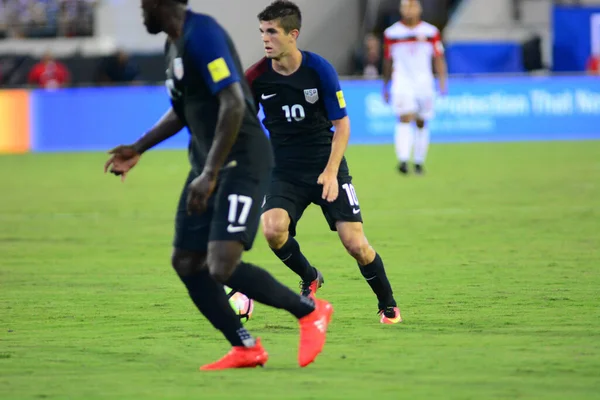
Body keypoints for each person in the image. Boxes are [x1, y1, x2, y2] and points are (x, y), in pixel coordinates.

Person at [103, 0, 333, 371]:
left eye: (144, 4)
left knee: (221, 263)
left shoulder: (203, 35)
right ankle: (245, 346)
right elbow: (182, 109)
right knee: (186, 260)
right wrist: (138, 147)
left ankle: (310, 312)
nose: (140, 11)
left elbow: (232, 103)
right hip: (208, 166)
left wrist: (210, 173)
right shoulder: (173, 45)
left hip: (241, 161)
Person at [245, 0, 401, 324]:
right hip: (284, 170)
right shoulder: (257, 77)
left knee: (355, 243)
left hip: (326, 164)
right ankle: (310, 276)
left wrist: (331, 173)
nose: (265, 39)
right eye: (262, 31)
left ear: (293, 34)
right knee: (273, 230)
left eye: (272, 32)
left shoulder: (319, 70)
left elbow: (342, 125)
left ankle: (388, 303)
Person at [382, 0, 448, 175]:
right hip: (402, 81)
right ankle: (403, 160)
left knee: (421, 121)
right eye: (406, 7)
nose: (409, 10)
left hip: (424, 83)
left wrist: (442, 81)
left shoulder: (431, 32)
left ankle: (418, 162)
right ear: (401, 10)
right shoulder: (392, 33)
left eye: (412, 6)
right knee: (404, 117)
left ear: (419, 9)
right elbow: (387, 60)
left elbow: (438, 58)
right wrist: (385, 85)